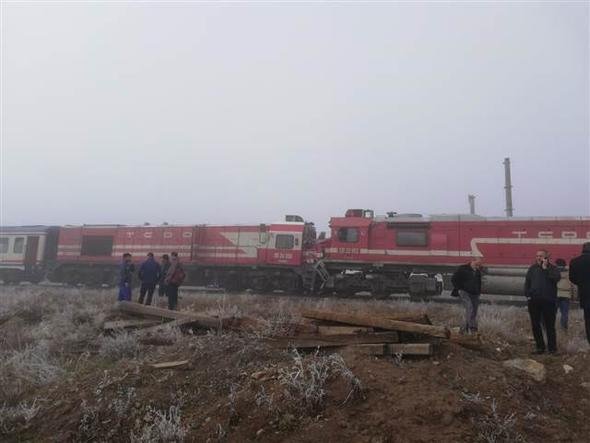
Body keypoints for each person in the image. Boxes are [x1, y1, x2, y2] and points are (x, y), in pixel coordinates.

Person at [524, 250, 561, 354]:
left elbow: (556, 278)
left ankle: (552, 349)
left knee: (549, 325)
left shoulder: (553, 268)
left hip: (549, 301)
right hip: (534, 300)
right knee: (535, 325)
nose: (538, 258)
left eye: (540, 256)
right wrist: (528, 295)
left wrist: (545, 269)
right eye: (537, 256)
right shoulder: (532, 269)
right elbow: (527, 282)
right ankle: (540, 347)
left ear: (546, 257)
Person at [451, 257, 482, 334]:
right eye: (477, 263)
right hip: (464, 292)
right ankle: (473, 329)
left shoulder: (477, 271)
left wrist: (478, 292)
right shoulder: (463, 269)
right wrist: (459, 288)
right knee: (470, 307)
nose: (478, 265)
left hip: (475, 294)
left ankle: (463, 329)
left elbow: (479, 283)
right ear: (473, 261)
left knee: (473, 311)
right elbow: (454, 279)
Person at [569, 242, 590, 345]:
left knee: (588, 319)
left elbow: (572, 278)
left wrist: (582, 283)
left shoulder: (575, 261)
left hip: (585, 295)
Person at [555, 258, 573, 330]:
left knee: (553, 313)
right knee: (564, 313)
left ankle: (550, 327)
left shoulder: (553, 273)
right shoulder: (569, 273)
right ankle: (564, 328)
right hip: (566, 296)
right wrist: (574, 296)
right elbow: (573, 285)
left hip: (556, 294)